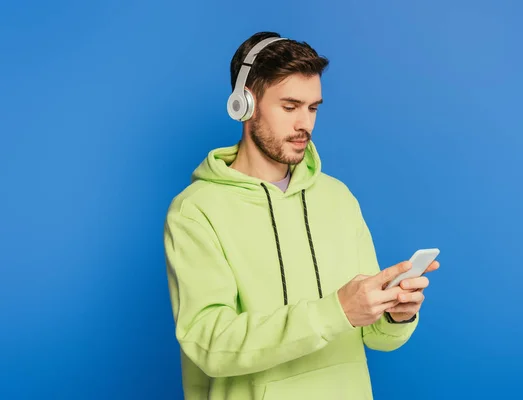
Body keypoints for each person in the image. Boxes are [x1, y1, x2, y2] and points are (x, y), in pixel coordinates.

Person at [163, 31, 440, 400]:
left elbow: (372, 336)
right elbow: (210, 343)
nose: (304, 124)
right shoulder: (196, 210)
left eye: (313, 108)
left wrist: (395, 314)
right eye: (290, 107)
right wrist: (336, 310)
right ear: (244, 105)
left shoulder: (338, 198)